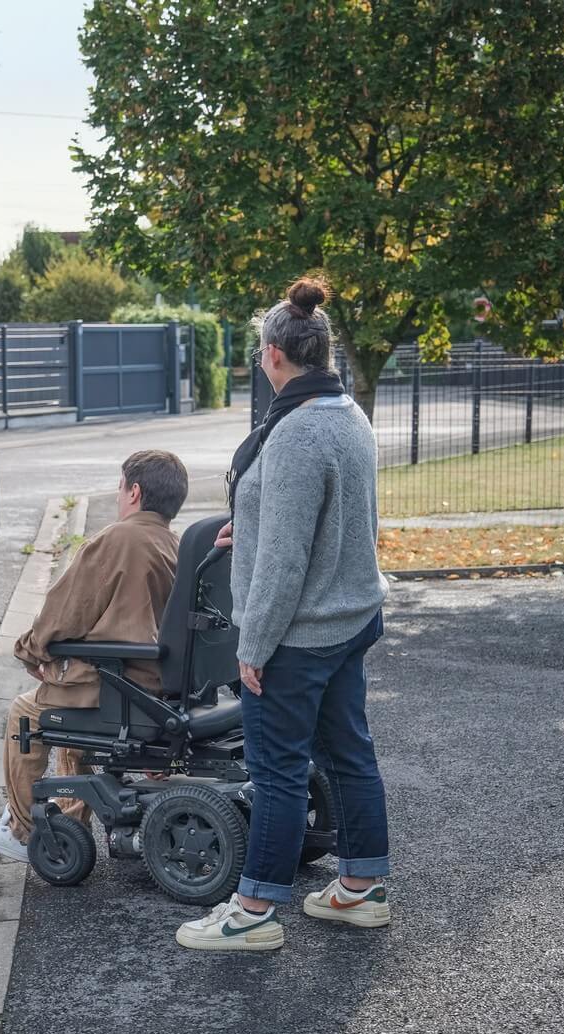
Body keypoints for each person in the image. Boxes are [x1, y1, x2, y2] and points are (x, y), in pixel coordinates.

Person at [176, 276, 391, 952]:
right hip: (349, 619)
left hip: (299, 636)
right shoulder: (347, 415)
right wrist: (257, 521)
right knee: (350, 755)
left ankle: (254, 912)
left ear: (272, 356)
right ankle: (361, 889)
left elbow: (285, 565)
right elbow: (335, 519)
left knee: (276, 773)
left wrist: (253, 647)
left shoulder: (296, 434)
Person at [0, 450, 186, 860]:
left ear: (134, 491)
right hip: (159, 686)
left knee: (26, 711)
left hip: (121, 686)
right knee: (72, 702)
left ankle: (22, 829)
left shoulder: (118, 538)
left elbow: (66, 610)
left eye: (120, 487)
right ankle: (68, 823)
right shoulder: (177, 543)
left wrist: (31, 650)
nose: (119, 496)